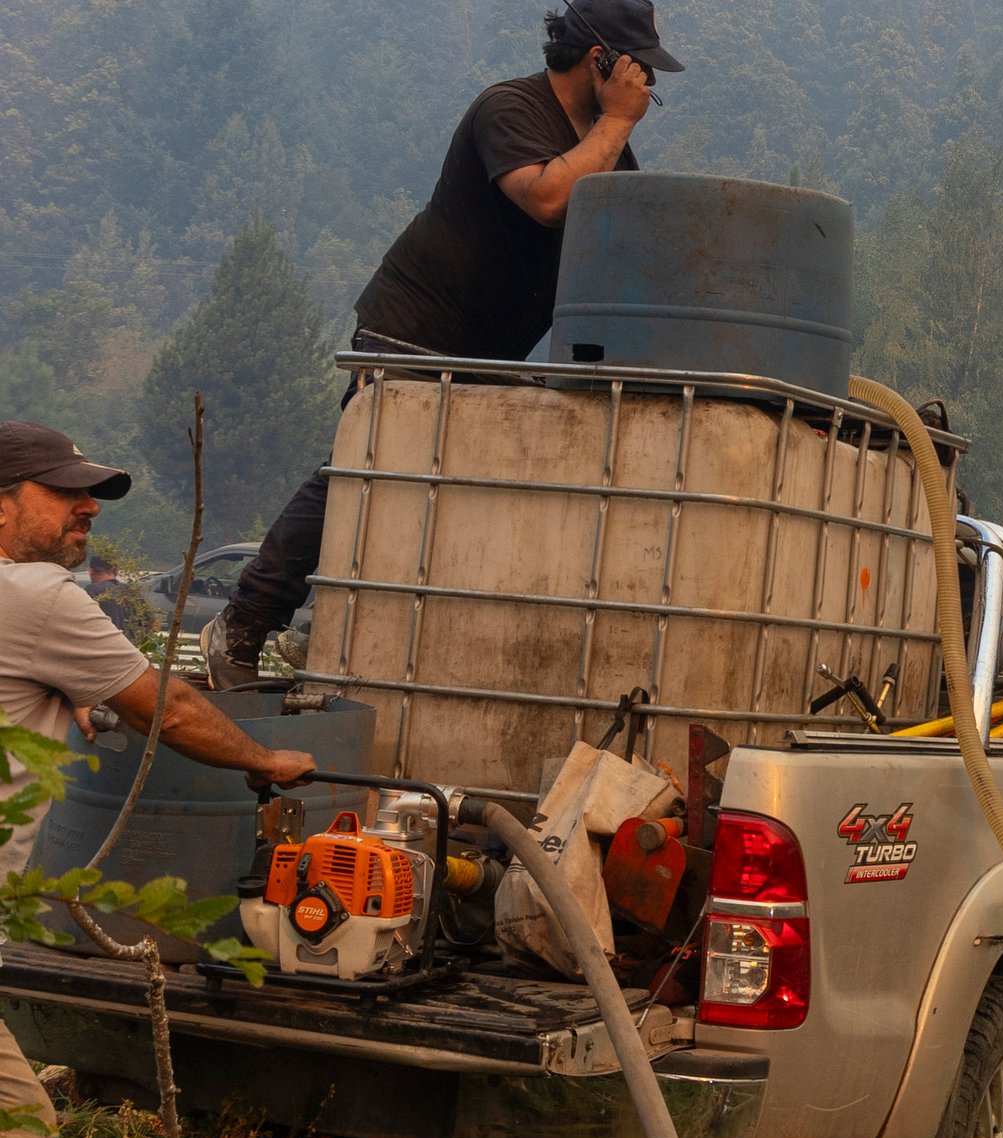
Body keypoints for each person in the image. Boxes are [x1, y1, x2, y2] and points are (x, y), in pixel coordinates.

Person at [202, 0, 683, 689]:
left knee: (448, 499)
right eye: (640, 69)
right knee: (360, 471)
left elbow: (622, 246)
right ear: (601, 57)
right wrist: (615, 121)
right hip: (415, 326)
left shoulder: (610, 148)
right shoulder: (509, 110)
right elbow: (547, 198)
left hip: (490, 354)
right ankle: (245, 621)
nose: (646, 89)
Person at [0, 420, 318, 1138]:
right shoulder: (38, 596)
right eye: (65, 492)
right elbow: (169, 708)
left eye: (90, 493)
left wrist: (64, 694)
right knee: (16, 1127)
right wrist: (264, 758)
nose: (89, 508)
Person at [82, 554, 131, 634]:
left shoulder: (91, 591)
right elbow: (152, 622)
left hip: (102, 644)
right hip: (128, 645)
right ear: (116, 570)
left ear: (90, 571)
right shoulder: (130, 591)